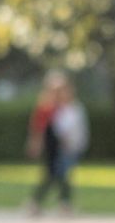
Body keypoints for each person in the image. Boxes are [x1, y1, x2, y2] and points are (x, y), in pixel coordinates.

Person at [25, 76, 87, 215]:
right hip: (55, 147)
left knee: (58, 175)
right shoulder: (48, 109)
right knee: (56, 175)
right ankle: (58, 203)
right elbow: (40, 129)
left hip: (64, 147)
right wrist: (36, 144)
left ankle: (56, 203)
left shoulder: (69, 108)